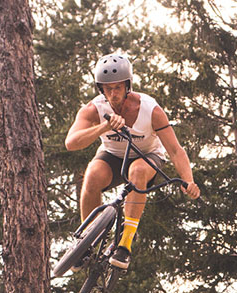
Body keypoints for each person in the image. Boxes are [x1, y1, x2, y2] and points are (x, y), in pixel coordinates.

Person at [64, 53, 200, 270]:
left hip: (147, 156)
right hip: (113, 155)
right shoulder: (94, 109)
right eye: (107, 88)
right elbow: (71, 143)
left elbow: (175, 150)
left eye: (117, 87)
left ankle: (125, 243)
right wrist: (104, 127)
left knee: (137, 171)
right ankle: (87, 240)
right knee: (92, 174)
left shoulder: (150, 109)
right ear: (101, 89)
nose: (113, 93)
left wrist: (188, 181)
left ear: (127, 86)